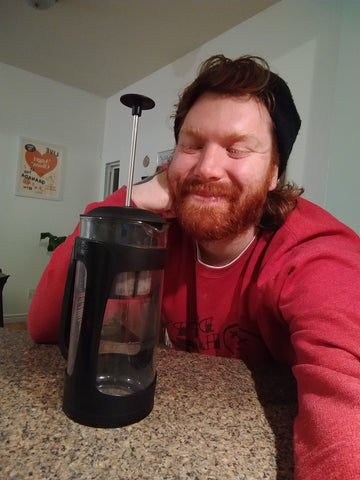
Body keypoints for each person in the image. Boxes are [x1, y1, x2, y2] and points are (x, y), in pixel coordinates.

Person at [28, 55, 359, 480]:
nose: (206, 169)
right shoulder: (159, 232)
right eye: (192, 145)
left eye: (237, 149)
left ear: (275, 171)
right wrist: (125, 203)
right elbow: (42, 326)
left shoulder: (316, 253)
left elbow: (347, 406)